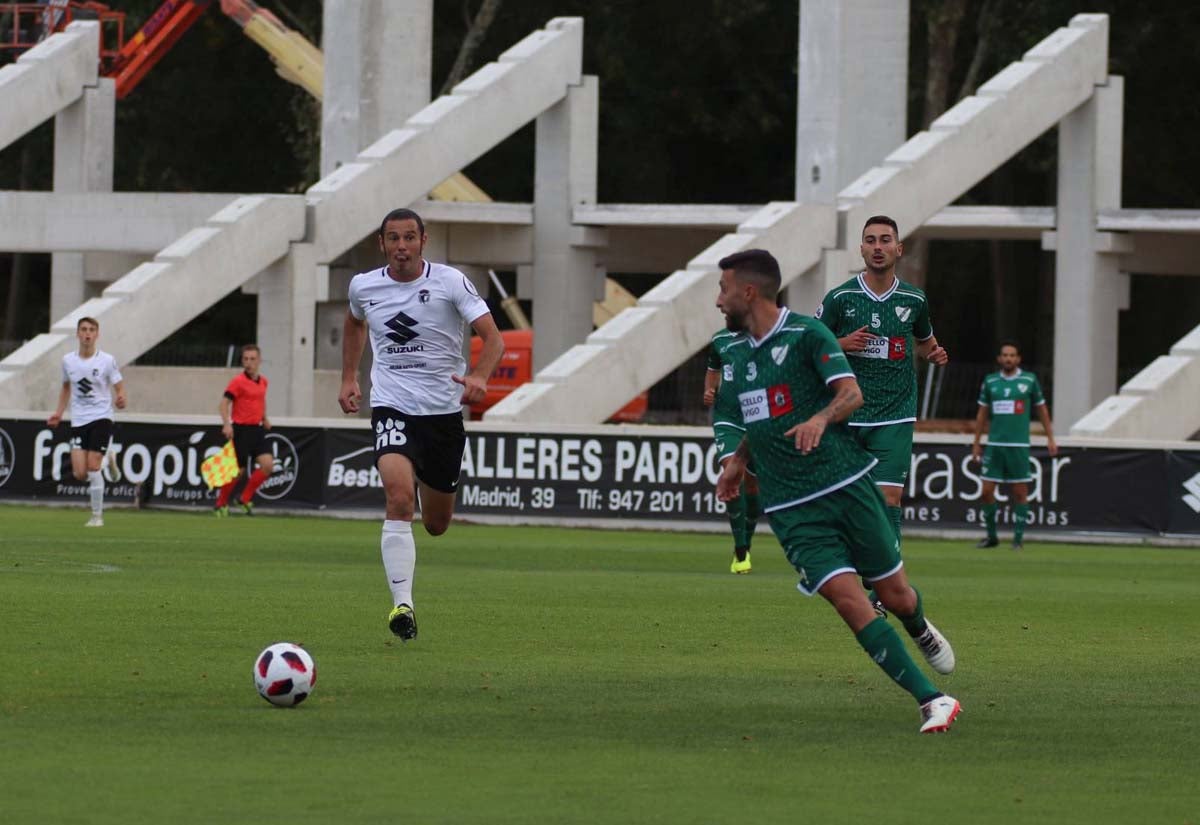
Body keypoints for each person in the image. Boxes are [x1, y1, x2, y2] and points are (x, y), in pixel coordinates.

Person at [713, 248, 959, 733]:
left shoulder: (808, 333)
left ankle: (918, 626)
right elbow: (760, 415)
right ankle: (933, 700)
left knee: (896, 594)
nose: (717, 302)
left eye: (722, 290)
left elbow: (851, 393)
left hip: (845, 484)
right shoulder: (733, 352)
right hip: (791, 509)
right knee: (850, 603)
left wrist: (820, 418)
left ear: (748, 291)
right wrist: (738, 462)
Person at [339, 208, 504, 642]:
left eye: (409, 238)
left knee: (435, 523)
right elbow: (354, 322)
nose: (401, 247)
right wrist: (349, 377)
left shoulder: (451, 282)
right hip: (392, 405)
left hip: (443, 416)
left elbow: (495, 338)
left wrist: (480, 377)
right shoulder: (364, 286)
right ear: (382, 244)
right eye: (393, 239)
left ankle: (408, 583)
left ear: (423, 241)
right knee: (397, 498)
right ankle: (403, 605)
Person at [815, 216, 948, 548]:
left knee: (888, 499)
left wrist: (933, 354)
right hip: (846, 412)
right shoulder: (840, 298)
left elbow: (924, 340)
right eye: (871, 240)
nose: (878, 247)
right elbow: (807, 345)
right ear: (861, 249)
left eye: (885, 240)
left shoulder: (913, 299)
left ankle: (882, 590)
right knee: (844, 504)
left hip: (894, 413)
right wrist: (842, 344)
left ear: (899, 249)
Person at [971, 340, 1058, 549]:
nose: (1008, 358)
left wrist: (1050, 437)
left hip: (1018, 445)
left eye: (1012, 355)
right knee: (985, 491)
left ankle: (1017, 540)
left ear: (1017, 359)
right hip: (994, 444)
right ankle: (992, 537)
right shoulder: (991, 381)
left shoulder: (1029, 380)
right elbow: (982, 414)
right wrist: (976, 442)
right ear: (1000, 359)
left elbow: (1042, 409)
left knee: (1019, 492)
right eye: (1005, 355)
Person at [47, 316, 127, 527]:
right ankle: (109, 458)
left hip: (101, 417)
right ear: (77, 334)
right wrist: (59, 412)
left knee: (92, 467)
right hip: (78, 421)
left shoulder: (107, 360)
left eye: (91, 329)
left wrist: (121, 397)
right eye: (83, 329)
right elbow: (66, 387)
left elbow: (119, 385)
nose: (87, 333)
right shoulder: (68, 361)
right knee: (80, 473)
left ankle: (97, 516)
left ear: (97, 334)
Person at [704, 327, 759, 573]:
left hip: (758, 418)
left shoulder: (767, 335)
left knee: (753, 486)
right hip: (727, 418)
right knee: (732, 473)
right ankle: (740, 551)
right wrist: (709, 390)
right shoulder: (719, 339)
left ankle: (746, 542)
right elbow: (713, 372)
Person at [213, 344, 274, 517]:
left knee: (268, 465)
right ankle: (220, 503)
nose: (249, 363)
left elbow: (260, 401)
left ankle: (244, 498)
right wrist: (227, 424)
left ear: (259, 361)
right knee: (238, 472)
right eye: (246, 359)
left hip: (257, 429)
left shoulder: (263, 381)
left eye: (252, 359)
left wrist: (264, 418)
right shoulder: (238, 382)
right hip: (241, 430)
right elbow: (223, 404)